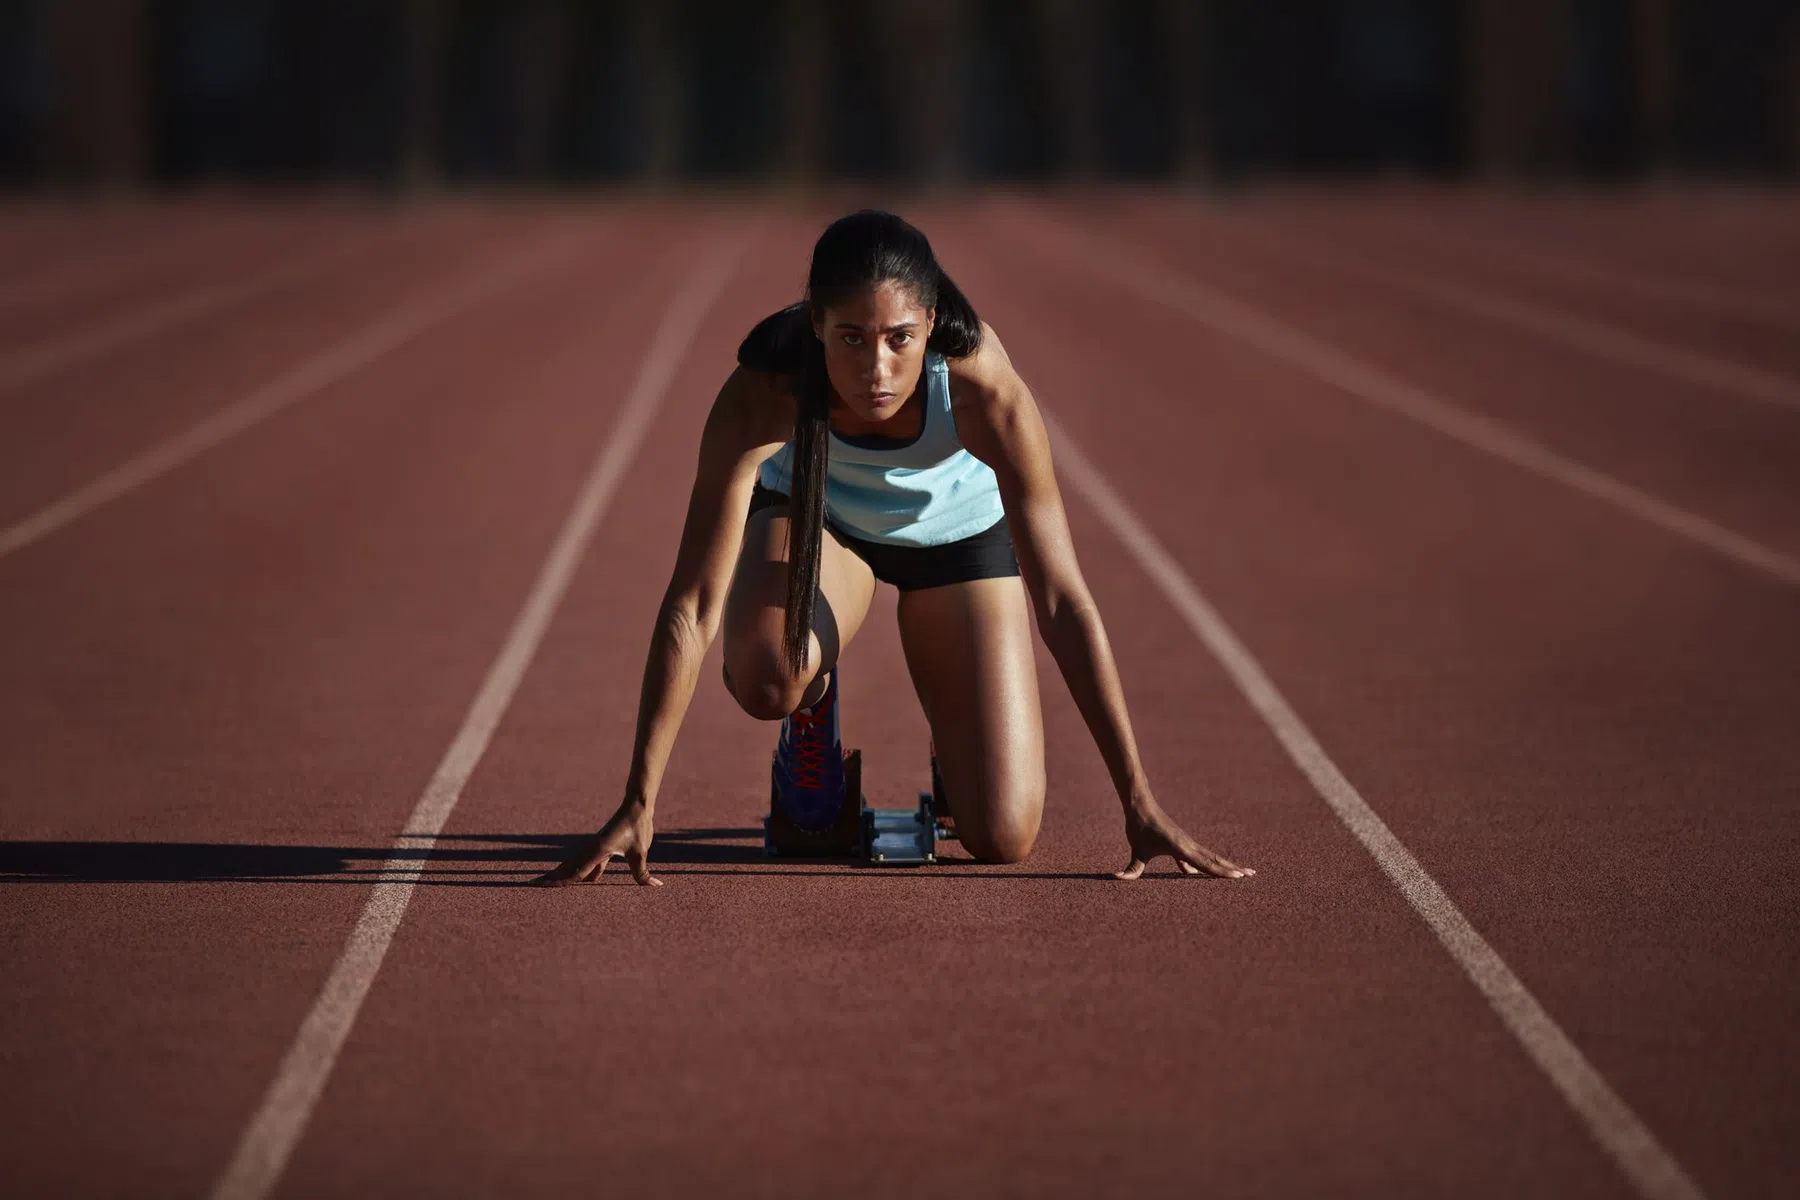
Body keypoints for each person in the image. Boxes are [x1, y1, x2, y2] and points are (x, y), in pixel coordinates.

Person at [535, 210, 1252, 886]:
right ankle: (811, 705)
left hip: (960, 539)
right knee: (765, 675)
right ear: (816, 324)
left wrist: (1137, 798)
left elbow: (1063, 599)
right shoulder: (764, 391)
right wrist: (639, 799)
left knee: (1003, 838)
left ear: (931, 325)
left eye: (898, 338)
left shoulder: (984, 391)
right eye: (850, 337)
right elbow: (693, 605)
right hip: (819, 524)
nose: (875, 367)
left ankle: (958, 733)